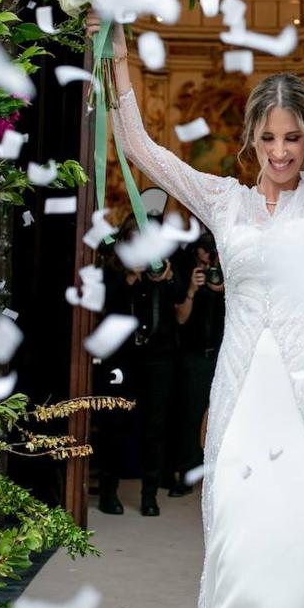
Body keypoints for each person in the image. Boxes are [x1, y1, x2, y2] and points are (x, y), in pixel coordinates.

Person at [87, 0, 304, 608]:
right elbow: (143, 149)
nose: (282, 150)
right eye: (269, 136)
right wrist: (115, 50)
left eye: (293, 136)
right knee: (247, 542)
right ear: (250, 140)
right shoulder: (225, 202)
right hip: (246, 393)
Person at [93, 215, 178, 517]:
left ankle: (149, 495)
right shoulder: (111, 271)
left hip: (157, 356)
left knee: (155, 426)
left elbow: (180, 305)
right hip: (121, 357)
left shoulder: (162, 266)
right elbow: (102, 310)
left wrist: (166, 281)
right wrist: (129, 278)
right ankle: (107, 491)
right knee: (114, 422)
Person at [165, 232, 224, 497]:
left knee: (227, 417)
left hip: (226, 355)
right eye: (205, 249)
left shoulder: (232, 276)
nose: (210, 255)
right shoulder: (187, 274)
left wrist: (227, 289)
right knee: (189, 416)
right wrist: (191, 290)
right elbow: (180, 319)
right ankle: (187, 471)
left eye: (214, 250)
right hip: (195, 355)